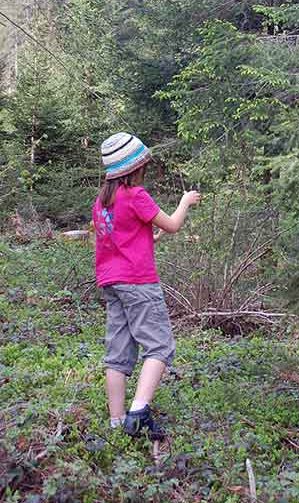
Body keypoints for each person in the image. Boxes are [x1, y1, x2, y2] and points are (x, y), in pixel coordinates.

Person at [92, 132, 200, 438]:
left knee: (117, 353)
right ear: (136, 168)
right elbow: (175, 225)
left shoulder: (101, 202)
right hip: (138, 282)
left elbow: (121, 238)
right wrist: (185, 201)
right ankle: (138, 412)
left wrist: (152, 237)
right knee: (160, 346)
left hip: (112, 283)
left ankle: (116, 422)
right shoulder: (136, 194)